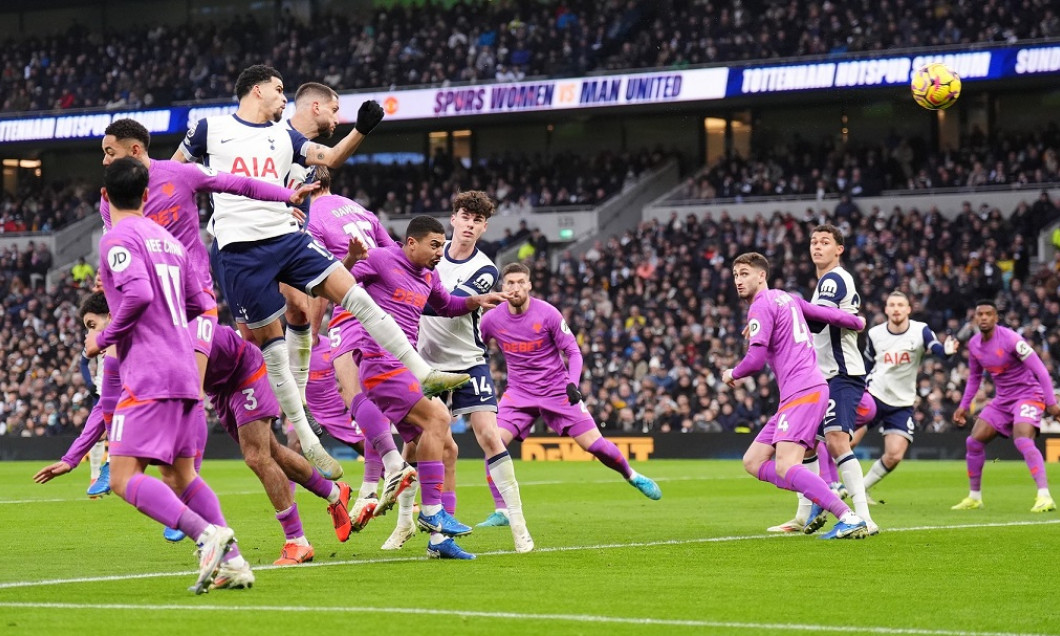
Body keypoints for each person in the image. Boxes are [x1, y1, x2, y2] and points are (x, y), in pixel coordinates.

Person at [173, 64, 470, 480]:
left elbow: (328, 158)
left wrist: (362, 131)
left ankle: (424, 373)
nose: (283, 96)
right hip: (239, 251)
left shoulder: (284, 137)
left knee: (351, 293)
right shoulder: (210, 129)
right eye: (278, 90)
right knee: (274, 343)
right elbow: (171, 175)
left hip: (287, 238)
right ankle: (308, 438)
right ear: (257, 90)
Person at [79, 158, 240, 593]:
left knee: (122, 477)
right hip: (186, 367)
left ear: (106, 198)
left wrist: (102, 338)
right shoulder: (169, 241)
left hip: (148, 374)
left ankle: (206, 536)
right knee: (181, 476)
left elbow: (138, 294)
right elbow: (199, 303)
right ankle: (235, 562)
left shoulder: (116, 237)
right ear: (147, 196)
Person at [350, 215, 508, 559]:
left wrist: (475, 302)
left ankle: (438, 542)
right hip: (380, 362)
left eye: (442, 245)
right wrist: (349, 261)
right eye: (434, 245)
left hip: (403, 368)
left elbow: (447, 306)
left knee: (446, 448)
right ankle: (431, 512)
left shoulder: (429, 276)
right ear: (411, 243)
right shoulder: (379, 259)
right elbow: (339, 283)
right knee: (439, 418)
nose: (441, 251)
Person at [479, 263, 662, 509]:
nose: (516, 287)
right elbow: (475, 348)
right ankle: (502, 510)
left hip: (556, 390)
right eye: (510, 282)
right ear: (503, 286)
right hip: (518, 394)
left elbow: (573, 351)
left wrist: (572, 384)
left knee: (596, 446)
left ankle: (632, 475)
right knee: (493, 443)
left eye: (521, 282)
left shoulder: (548, 313)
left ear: (530, 285)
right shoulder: (491, 319)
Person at [409, 190, 532, 553]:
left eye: (477, 221)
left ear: (484, 227)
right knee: (417, 445)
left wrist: (407, 290)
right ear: (453, 219)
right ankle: (412, 527)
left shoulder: (486, 268)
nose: (470, 225)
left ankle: (519, 526)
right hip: (426, 363)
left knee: (489, 438)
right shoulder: (431, 253)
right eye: (465, 217)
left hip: (467, 361)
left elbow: (446, 307)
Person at [721, 252, 869, 540]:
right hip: (800, 393)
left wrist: (732, 373)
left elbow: (754, 359)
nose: (738, 280)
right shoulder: (789, 299)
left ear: (761, 275)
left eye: (745, 274)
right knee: (753, 460)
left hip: (803, 391)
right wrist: (857, 323)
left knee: (787, 465)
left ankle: (847, 515)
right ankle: (820, 493)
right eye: (736, 274)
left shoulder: (761, 305)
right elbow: (828, 315)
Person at [304, 166, 406, 537]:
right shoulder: (358, 208)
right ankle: (367, 490)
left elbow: (319, 283)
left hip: (352, 304)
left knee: (352, 393)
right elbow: (394, 254)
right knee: (374, 401)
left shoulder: (310, 220)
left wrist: (312, 334)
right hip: (386, 305)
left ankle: (393, 466)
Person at [774, 224, 876, 534]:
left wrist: (790, 309)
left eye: (825, 242)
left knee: (835, 441)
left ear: (839, 249)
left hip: (840, 373)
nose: (817, 247)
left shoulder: (833, 280)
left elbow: (818, 322)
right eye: (814, 242)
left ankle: (864, 518)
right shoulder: (824, 282)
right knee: (806, 447)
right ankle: (805, 516)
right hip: (823, 375)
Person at [951, 299, 1057, 513]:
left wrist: (1052, 404)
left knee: (1022, 439)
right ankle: (974, 497)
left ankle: (1045, 496)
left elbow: (1041, 371)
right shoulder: (973, 345)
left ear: (996, 318)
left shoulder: (1011, 339)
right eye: (979, 314)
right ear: (974, 319)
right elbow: (974, 378)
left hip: (1028, 394)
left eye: (988, 314)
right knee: (974, 441)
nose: (983, 318)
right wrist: (963, 406)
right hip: (1003, 399)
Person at [851, 291, 958, 496]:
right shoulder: (875, 334)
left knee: (894, 455)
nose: (896, 308)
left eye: (901, 304)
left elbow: (936, 349)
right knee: (848, 441)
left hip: (901, 402)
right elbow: (866, 364)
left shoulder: (921, 331)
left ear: (909, 309)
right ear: (886, 309)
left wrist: (947, 351)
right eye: (892, 305)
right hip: (874, 395)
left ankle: (859, 490)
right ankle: (826, 483)